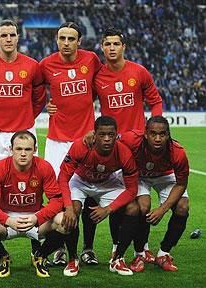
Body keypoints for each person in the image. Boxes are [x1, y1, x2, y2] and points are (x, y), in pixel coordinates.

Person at [82, 26, 164, 265]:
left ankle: (143, 248)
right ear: (102, 47)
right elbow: (84, 103)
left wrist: (153, 127)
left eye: (116, 44)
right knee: (115, 199)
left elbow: (155, 100)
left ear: (123, 47)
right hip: (111, 148)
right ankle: (118, 246)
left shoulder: (138, 72)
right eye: (107, 44)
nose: (111, 48)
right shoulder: (98, 77)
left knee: (141, 202)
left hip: (137, 146)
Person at [0, 19, 46, 268]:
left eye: (12, 35)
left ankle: (37, 242)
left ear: (17, 37)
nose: (8, 39)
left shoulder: (32, 66)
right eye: (4, 35)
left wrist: (25, 121)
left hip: (24, 133)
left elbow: (39, 98)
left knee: (32, 183)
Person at [39, 21, 102, 266]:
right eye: (62, 38)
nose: (66, 43)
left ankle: (88, 247)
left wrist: (87, 103)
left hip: (86, 140)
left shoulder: (91, 60)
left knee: (90, 194)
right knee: (58, 196)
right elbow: (34, 90)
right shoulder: (46, 65)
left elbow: (97, 88)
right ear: (57, 40)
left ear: (79, 42)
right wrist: (45, 103)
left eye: (71, 39)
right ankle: (61, 247)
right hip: (56, 141)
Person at [0, 130, 66, 278]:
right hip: (7, 220)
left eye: (28, 149)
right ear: (11, 150)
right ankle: (2, 256)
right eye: (18, 149)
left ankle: (41, 255)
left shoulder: (44, 167)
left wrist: (38, 218)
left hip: (36, 219)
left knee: (64, 221)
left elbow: (57, 200)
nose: (23, 153)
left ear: (35, 150)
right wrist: (7, 220)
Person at [59, 116, 139, 276]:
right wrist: (67, 207)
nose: (107, 139)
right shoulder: (80, 147)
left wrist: (108, 209)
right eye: (102, 135)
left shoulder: (124, 153)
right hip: (80, 181)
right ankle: (73, 259)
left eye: (111, 135)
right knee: (72, 211)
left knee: (133, 208)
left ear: (117, 135)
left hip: (106, 182)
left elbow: (132, 189)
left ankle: (117, 258)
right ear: (94, 135)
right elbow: (62, 177)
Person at [117, 116, 189, 272]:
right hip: (140, 175)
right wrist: (90, 136)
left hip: (165, 175)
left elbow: (181, 184)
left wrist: (162, 209)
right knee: (143, 206)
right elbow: (109, 139)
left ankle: (164, 254)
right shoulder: (131, 138)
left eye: (162, 134)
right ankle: (140, 253)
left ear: (168, 135)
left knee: (183, 207)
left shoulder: (178, 152)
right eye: (153, 133)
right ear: (145, 134)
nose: (157, 138)